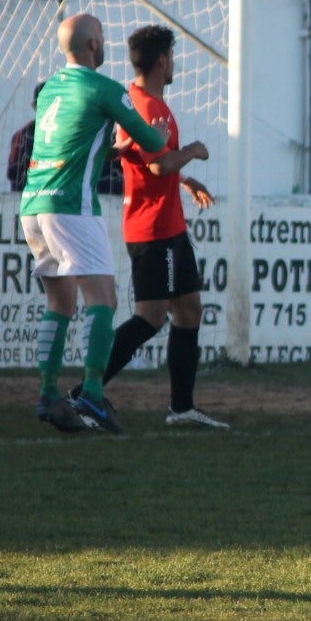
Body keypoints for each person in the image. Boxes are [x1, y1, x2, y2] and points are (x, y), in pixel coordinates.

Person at [68, 25, 227, 429]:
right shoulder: (154, 109)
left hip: (161, 223)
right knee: (152, 317)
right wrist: (193, 152)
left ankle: (181, 406)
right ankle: (85, 393)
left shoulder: (134, 100)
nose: (173, 65)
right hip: (156, 228)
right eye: (172, 57)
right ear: (162, 61)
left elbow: (144, 161)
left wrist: (186, 181)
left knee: (188, 310)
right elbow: (158, 164)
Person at [21, 13, 168, 435]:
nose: (105, 46)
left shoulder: (50, 88)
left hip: (33, 205)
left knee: (60, 303)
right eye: (102, 39)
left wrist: (113, 149)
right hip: (70, 205)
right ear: (92, 46)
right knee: (102, 296)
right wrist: (155, 133)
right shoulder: (105, 87)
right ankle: (91, 393)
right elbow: (154, 143)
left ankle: (49, 395)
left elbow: (78, 144)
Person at [7, 84, 43, 192]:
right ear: (35, 106)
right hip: (29, 200)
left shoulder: (68, 134)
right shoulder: (22, 135)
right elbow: (13, 172)